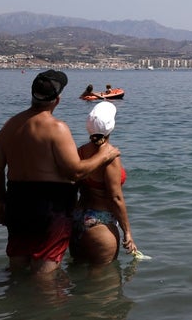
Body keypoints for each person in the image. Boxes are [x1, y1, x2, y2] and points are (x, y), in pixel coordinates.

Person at [0, 69, 120, 275]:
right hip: (49, 206)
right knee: (45, 271)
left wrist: (0, 201)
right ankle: (45, 305)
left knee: (18, 264)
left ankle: (16, 304)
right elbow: (74, 172)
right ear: (57, 100)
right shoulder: (56, 128)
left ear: (32, 94)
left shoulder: (9, 126)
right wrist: (105, 156)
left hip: (16, 201)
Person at [71, 101, 137, 265]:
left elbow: (73, 187)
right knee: (104, 286)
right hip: (100, 224)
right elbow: (115, 198)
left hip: (77, 220)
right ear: (111, 127)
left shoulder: (80, 151)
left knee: (78, 285)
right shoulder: (110, 156)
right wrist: (127, 232)